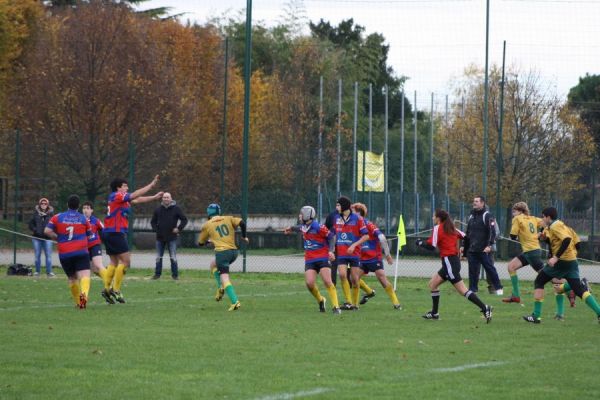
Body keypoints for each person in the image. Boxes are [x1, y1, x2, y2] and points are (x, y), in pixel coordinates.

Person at [523, 207, 600, 324]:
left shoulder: (555, 226)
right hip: (572, 261)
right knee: (575, 289)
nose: (542, 219)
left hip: (561, 261)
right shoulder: (564, 226)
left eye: (543, 216)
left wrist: (556, 257)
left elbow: (567, 239)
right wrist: (546, 239)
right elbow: (576, 243)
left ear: (548, 217)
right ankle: (598, 311)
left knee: (539, 281)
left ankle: (536, 316)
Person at [417, 209, 493, 323]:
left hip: (449, 264)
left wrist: (420, 243)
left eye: (434, 216)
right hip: (452, 263)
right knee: (432, 284)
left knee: (463, 291)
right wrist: (465, 250)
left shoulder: (438, 228)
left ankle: (485, 308)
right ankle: (434, 313)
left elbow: (431, 246)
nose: (433, 218)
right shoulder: (452, 228)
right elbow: (466, 237)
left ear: (438, 218)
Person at [103, 175, 163, 303]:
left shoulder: (119, 199)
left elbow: (138, 199)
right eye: (125, 186)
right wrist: (151, 185)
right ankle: (116, 289)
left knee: (114, 262)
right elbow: (135, 195)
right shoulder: (117, 196)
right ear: (119, 188)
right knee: (126, 261)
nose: (127, 188)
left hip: (110, 232)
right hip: (115, 232)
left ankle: (107, 289)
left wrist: (153, 197)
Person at [284, 206, 341, 315]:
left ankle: (336, 307)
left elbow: (332, 237)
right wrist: (290, 228)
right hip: (310, 259)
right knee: (309, 283)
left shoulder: (318, 227)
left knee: (327, 281)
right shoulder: (304, 226)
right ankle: (321, 300)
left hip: (322, 257)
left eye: (301, 214)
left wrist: (331, 251)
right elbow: (299, 227)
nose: (300, 215)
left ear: (307, 215)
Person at [44, 195, 92, 309]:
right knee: (85, 276)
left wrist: (58, 238)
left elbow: (47, 231)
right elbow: (90, 236)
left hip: (65, 253)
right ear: (79, 206)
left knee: (72, 278)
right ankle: (83, 301)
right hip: (81, 251)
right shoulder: (83, 218)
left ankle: (78, 303)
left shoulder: (57, 217)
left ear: (67, 205)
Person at [350, 203, 401, 310]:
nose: (350, 213)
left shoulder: (368, 224)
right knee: (353, 278)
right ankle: (355, 305)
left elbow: (382, 237)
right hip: (361, 259)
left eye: (352, 211)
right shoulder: (353, 225)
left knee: (382, 278)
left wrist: (387, 255)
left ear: (359, 213)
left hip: (374, 257)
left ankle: (396, 303)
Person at [198, 203, 248, 311]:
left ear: (208, 213)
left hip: (222, 253)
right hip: (234, 252)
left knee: (225, 278)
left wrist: (208, 242)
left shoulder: (207, 224)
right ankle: (220, 287)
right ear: (219, 212)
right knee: (213, 264)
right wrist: (244, 236)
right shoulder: (228, 218)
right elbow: (242, 223)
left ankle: (235, 302)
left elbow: (200, 243)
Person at [333, 196, 371, 310]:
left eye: (338, 205)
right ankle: (348, 302)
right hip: (342, 253)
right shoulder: (337, 218)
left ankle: (355, 305)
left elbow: (366, 236)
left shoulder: (358, 219)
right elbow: (335, 235)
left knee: (354, 279)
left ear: (344, 206)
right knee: (342, 275)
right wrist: (331, 250)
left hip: (354, 253)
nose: (336, 207)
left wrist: (354, 245)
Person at [462, 195, 503, 295]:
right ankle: (473, 289)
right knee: (473, 271)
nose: (474, 203)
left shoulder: (487, 215)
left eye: (476, 201)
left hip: (484, 250)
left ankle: (498, 288)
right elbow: (468, 234)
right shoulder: (471, 216)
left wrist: (489, 245)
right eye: (474, 201)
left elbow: (492, 232)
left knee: (490, 269)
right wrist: (464, 247)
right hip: (472, 250)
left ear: (482, 203)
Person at [150, 192, 188, 280]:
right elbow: (153, 222)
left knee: (173, 257)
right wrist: (156, 230)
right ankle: (157, 275)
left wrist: (179, 228)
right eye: (164, 197)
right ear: (162, 199)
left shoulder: (176, 209)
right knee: (158, 257)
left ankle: (175, 276)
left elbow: (184, 220)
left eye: (167, 197)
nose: (166, 199)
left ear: (171, 199)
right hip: (160, 238)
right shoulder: (158, 209)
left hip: (172, 237)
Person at [82, 201, 114, 304]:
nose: (85, 210)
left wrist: (109, 242)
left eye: (88, 208)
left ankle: (110, 286)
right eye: (84, 208)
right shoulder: (79, 221)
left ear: (92, 210)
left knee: (98, 265)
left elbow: (104, 231)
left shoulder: (95, 221)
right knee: (94, 270)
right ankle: (109, 281)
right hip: (84, 248)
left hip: (95, 245)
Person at [28, 198, 55, 277]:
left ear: (48, 205)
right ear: (39, 205)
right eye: (42, 203)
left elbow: (55, 225)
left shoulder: (51, 215)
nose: (43, 205)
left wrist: (51, 232)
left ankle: (49, 272)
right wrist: (35, 230)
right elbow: (30, 224)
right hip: (36, 238)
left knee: (48, 256)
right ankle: (37, 272)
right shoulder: (35, 213)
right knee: (37, 255)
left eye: (45, 203)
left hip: (48, 238)